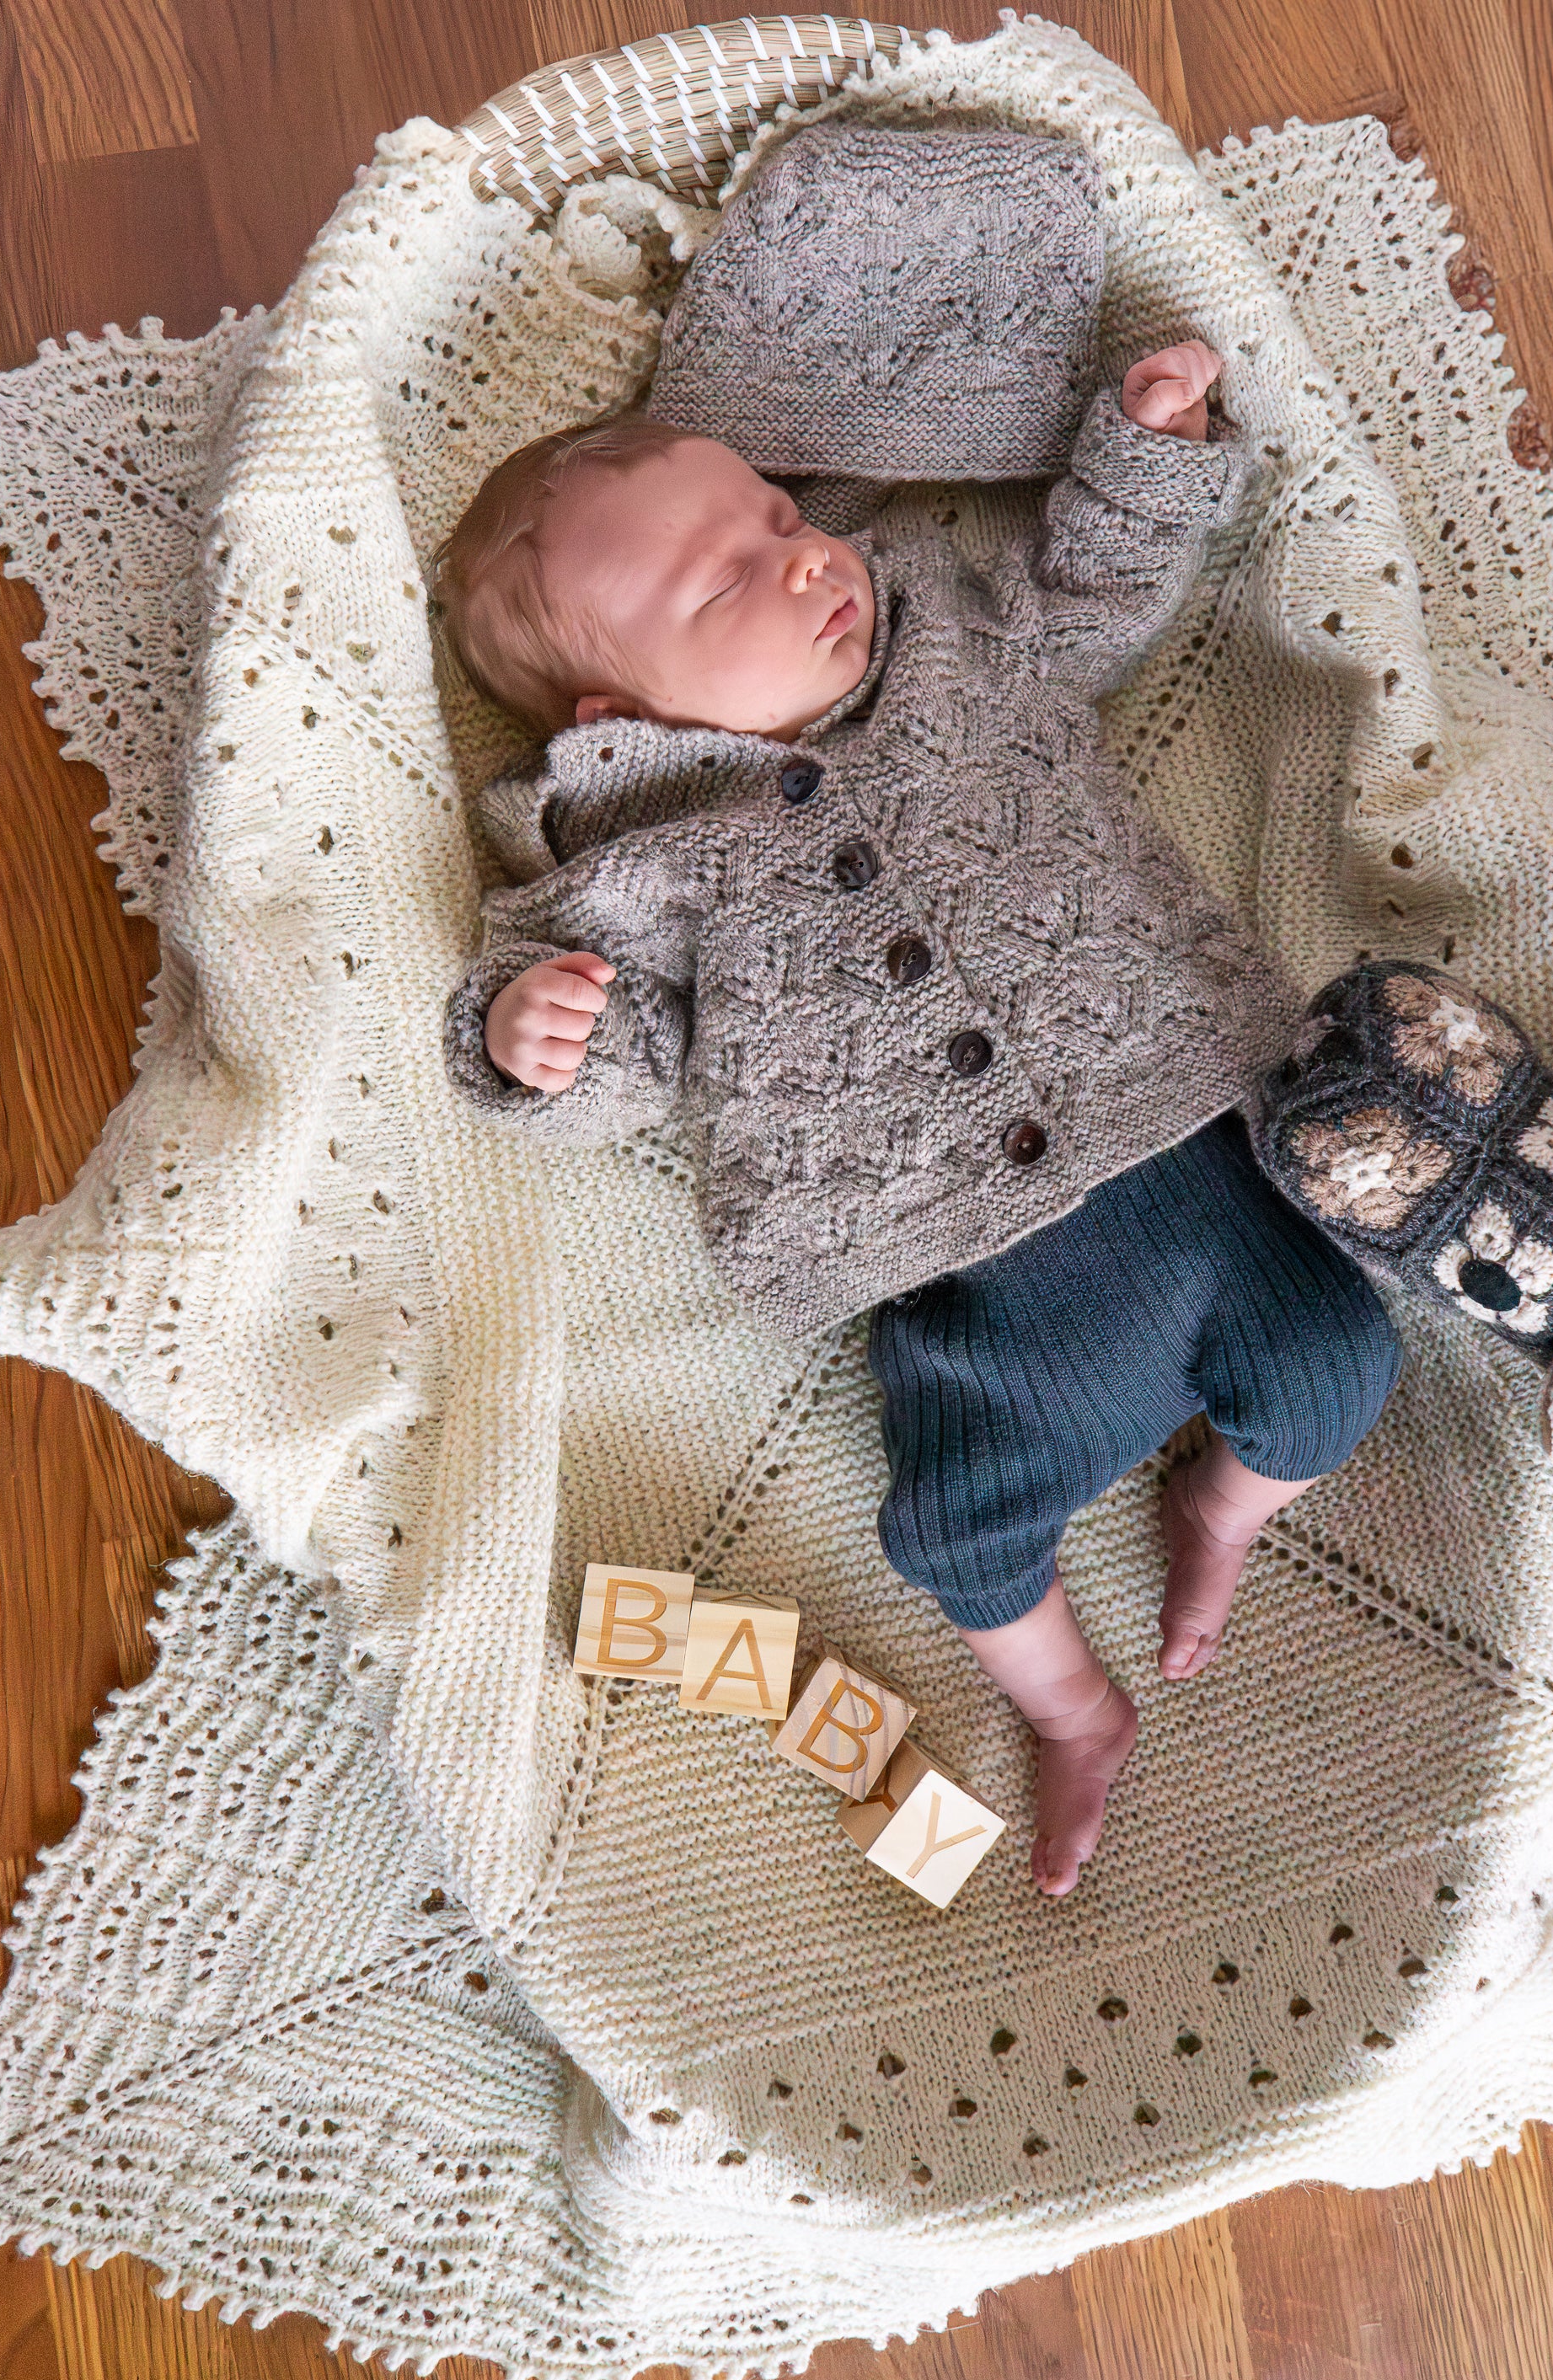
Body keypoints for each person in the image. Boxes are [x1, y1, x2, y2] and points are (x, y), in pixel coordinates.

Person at [436, 333, 1400, 1898]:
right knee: (953, 1536)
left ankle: (1223, 1507)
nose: (802, 556)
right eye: (727, 584)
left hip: (1189, 1146)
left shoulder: (952, 636)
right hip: (974, 1298)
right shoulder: (625, 861)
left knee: (1341, 1363)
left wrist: (1146, 451)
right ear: (628, 709)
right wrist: (525, 1035)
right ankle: (1077, 1714)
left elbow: (1091, 591)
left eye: (772, 516)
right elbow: (627, 1057)